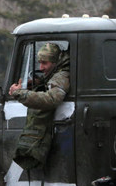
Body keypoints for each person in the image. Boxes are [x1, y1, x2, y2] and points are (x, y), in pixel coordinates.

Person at [8, 42, 70, 170]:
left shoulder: (62, 75)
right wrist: (36, 83)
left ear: (54, 62)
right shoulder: (56, 73)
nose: (41, 67)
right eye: (40, 62)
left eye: (45, 63)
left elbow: (51, 99)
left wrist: (19, 94)